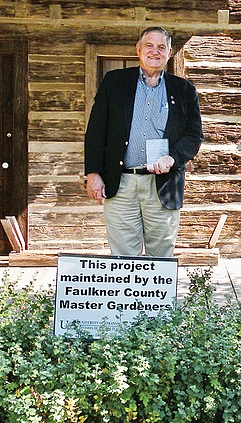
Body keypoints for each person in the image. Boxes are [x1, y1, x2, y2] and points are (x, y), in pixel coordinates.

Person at [84, 27, 203, 258]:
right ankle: (125, 295)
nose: (154, 52)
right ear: (138, 49)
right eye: (149, 45)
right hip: (121, 183)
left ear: (169, 53)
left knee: (161, 257)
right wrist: (93, 173)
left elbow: (194, 135)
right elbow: (96, 130)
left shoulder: (183, 90)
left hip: (163, 185)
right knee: (123, 257)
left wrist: (173, 157)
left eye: (161, 47)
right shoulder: (115, 82)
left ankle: (160, 296)